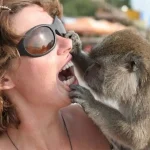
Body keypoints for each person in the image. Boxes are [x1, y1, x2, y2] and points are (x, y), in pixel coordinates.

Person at [0, 0, 111, 149]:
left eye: (59, 28)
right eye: (42, 39)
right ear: (3, 78)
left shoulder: (105, 125)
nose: (68, 43)